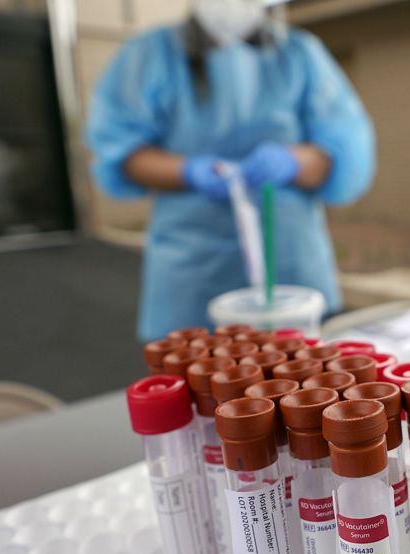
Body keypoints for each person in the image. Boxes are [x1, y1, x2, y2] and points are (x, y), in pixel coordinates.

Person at [86, 0, 375, 341]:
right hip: (192, 268)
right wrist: (190, 171)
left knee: (303, 373)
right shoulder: (149, 54)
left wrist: (293, 161)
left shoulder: (300, 54)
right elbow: (121, 152)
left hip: (291, 257)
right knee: (199, 375)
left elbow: (342, 151)